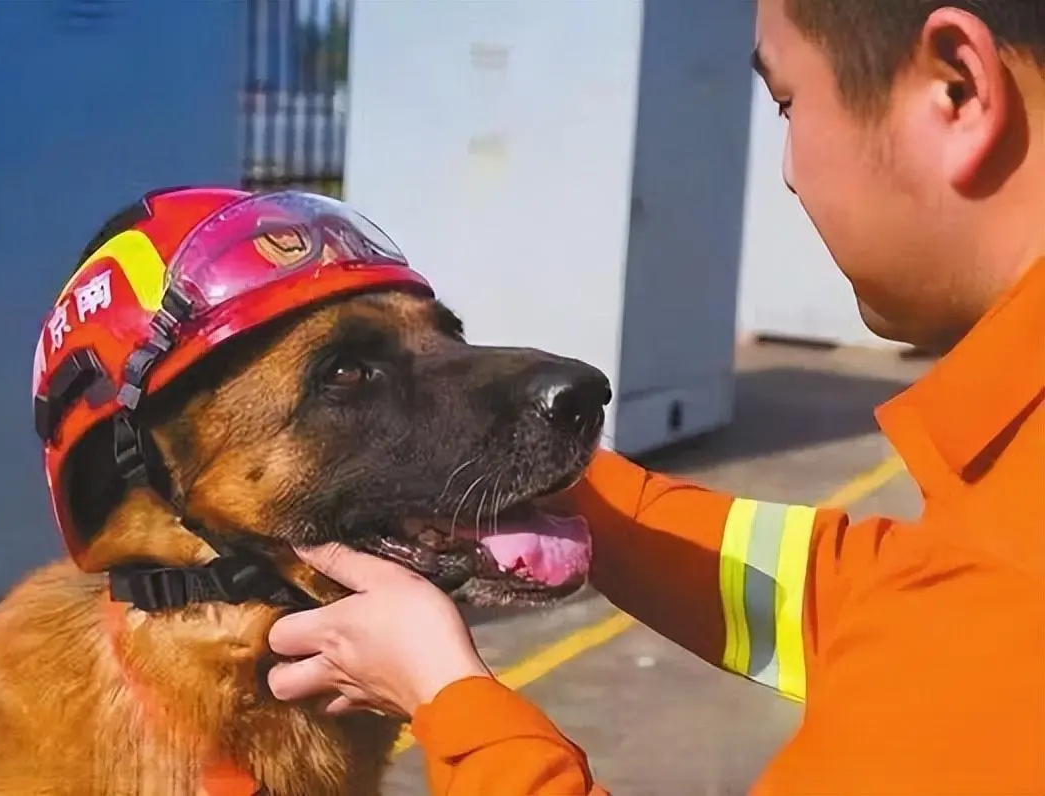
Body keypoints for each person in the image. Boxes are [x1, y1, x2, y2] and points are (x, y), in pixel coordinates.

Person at [266, 0, 1045, 792]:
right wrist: (518, 461)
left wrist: (449, 697)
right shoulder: (999, 526)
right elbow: (876, 601)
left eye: (787, 102)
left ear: (958, 88)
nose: (786, 169)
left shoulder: (1012, 590)